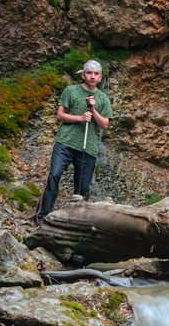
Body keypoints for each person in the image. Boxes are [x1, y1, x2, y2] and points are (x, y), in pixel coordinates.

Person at [34, 59, 113, 223]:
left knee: (82, 189)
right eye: (89, 73)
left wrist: (93, 110)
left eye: (96, 74)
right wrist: (80, 118)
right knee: (54, 175)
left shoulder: (103, 98)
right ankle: (41, 217)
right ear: (83, 75)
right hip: (65, 142)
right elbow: (60, 115)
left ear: (100, 77)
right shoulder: (70, 90)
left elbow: (104, 124)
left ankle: (75, 222)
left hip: (88, 147)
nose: (92, 76)